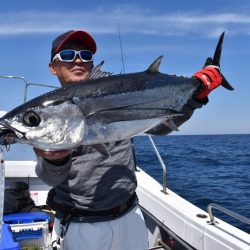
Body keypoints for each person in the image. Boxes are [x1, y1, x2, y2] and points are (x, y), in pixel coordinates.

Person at [34, 29, 223, 250]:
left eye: (85, 55)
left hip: (130, 214)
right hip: (81, 224)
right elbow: (49, 178)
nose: (78, 60)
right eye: (67, 55)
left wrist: (196, 97)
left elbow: (160, 125)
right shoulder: (48, 113)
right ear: (53, 67)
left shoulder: (118, 88)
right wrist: (56, 160)